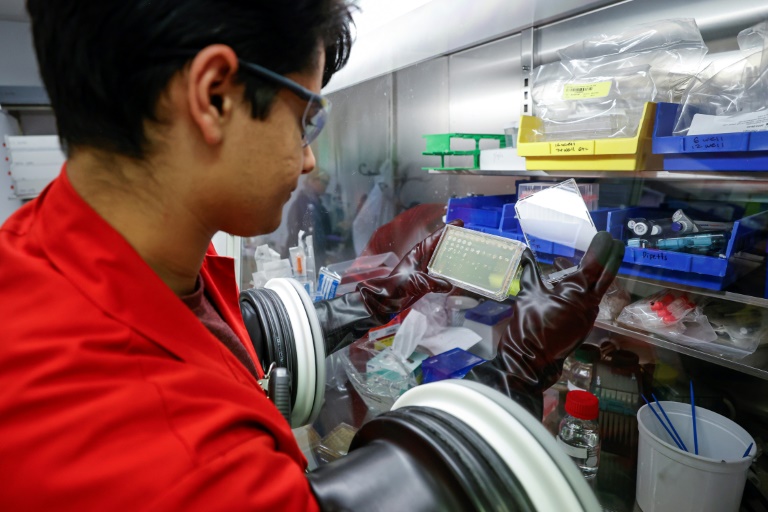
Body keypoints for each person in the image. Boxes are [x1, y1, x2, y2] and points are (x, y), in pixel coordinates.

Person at [0, 1, 624, 510]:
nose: (308, 159)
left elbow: (213, 342)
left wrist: (380, 295)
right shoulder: (180, 466)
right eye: (306, 118)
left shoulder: (49, 257)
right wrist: (515, 366)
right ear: (215, 96)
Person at [287, 169, 334, 267]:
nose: (326, 186)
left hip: (316, 258)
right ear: (311, 181)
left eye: (327, 183)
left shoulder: (317, 205)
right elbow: (302, 235)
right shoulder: (302, 204)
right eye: (324, 182)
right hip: (307, 260)